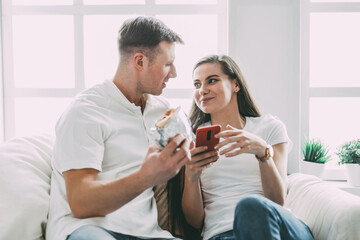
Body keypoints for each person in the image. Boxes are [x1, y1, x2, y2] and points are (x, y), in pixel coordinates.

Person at [46, 16, 191, 240]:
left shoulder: (161, 111)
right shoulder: (85, 111)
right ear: (140, 62)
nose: (174, 73)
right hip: (88, 229)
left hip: (149, 234)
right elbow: (80, 202)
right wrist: (146, 176)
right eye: (167, 64)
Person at [180, 55, 314, 240]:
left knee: (250, 205)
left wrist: (262, 152)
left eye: (212, 80)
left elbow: (277, 200)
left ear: (236, 85)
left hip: (279, 227)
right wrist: (190, 175)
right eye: (197, 84)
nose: (202, 90)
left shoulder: (269, 127)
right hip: (222, 233)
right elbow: (194, 222)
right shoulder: (190, 140)